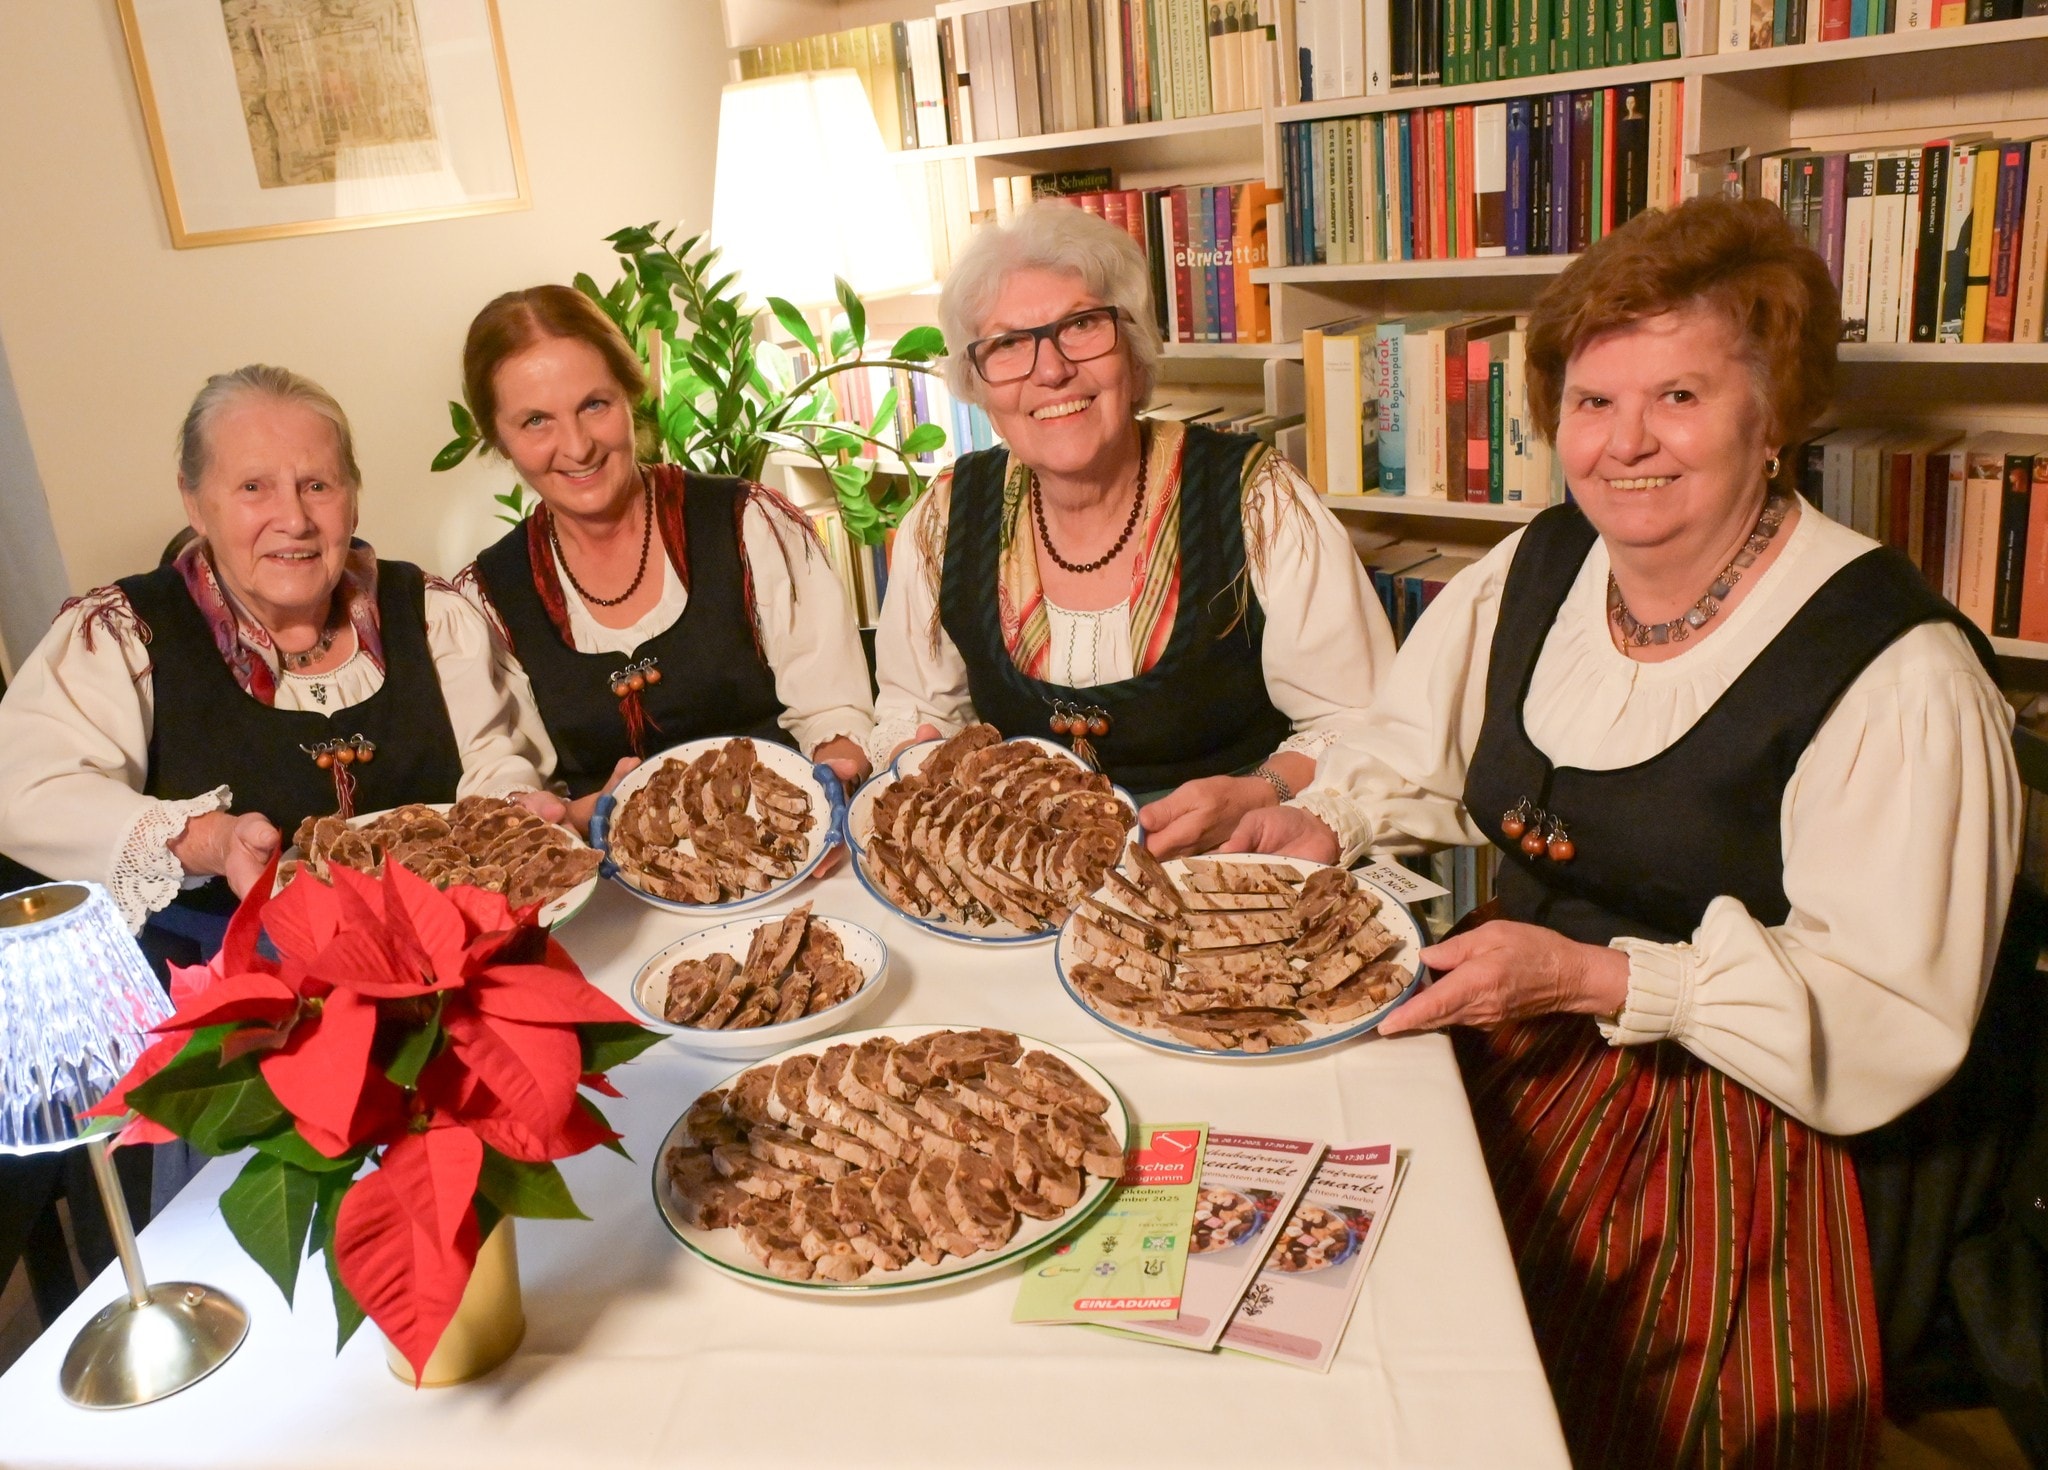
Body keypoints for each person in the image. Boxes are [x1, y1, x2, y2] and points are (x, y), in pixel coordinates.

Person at [1227, 197, 2021, 1465]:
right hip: (1508, 1018)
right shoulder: (1538, 565)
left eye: (1679, 399)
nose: (1623, 445)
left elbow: (1886, 1010)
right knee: (1283, 1256)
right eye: (1592, 403)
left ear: (1775, 417)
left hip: (1732, 1123)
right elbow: (1414, 750)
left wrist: (1595, 977)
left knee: (1525, 1387)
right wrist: (1324, 821)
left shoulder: (1899, 675)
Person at [869, 203, 1395, 856]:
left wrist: (1261, 792)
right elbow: (913, 713)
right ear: (976, 384)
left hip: (1230, 879)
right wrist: (921, 760)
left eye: (1082, 325)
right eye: (1008, 344)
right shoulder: (944, 517)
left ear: (1134, 347)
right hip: (1024, 891)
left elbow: (1355, 721)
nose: (1051, 369)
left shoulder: (1259, 498)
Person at [0, 364, 550, 948]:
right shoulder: (123, 635)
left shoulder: (430, 614)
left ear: (353, 499)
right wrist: (206, 839)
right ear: (195, 502)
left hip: (450, 964)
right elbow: (25, 790)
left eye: (318, 485)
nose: (293, 520)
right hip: (241, 1001)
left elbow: (493, 759)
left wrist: (515, 812)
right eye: (253, 488)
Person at [451, 285, 874, 827]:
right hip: (608, 891)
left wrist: (830, 783)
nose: (577, 446)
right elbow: (509, 783)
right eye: (536, 421)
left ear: (631, 396)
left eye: (594, 405)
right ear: (499, 439)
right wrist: (572, 816)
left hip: (791, 852)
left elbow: (833, 711)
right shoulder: (487, 598)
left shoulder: (750, 525)